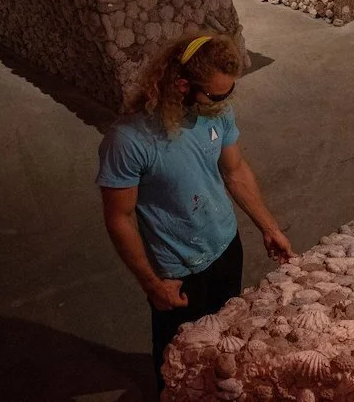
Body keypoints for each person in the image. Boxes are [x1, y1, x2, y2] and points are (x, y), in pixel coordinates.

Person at [98, 33, 294, 390]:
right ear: (181, 85)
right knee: (178, 360)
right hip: (178, 271)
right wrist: (152, 284)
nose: (224, 103)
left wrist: (269, 226)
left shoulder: (214, 112)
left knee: (224, 336)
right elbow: (119, 218)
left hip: (225, 247)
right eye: (216, 95)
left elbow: (234, 171)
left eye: (229, 93)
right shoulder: (128, 141)